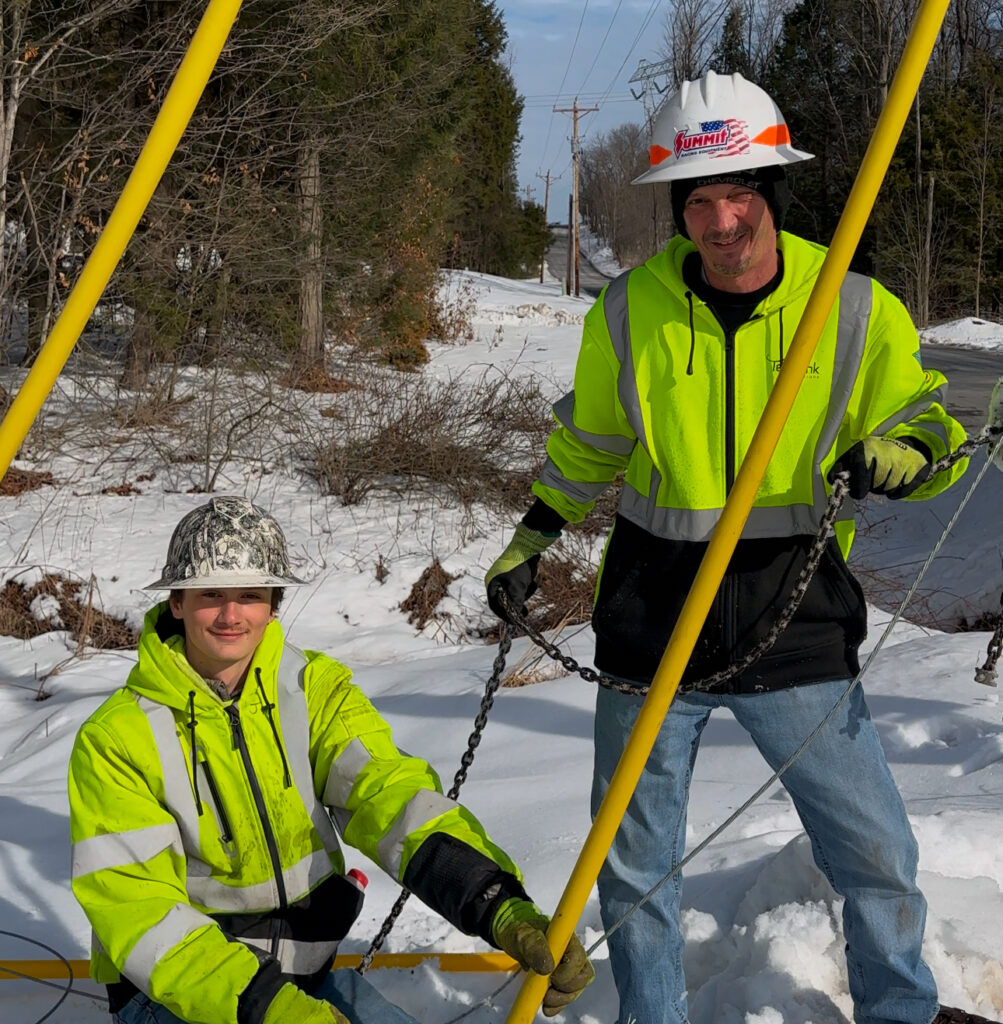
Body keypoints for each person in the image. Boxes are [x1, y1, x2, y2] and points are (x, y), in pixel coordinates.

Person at [485, 71, 991, 1024]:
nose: (721, 222)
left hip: (793, 609)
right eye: (701, 201)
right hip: (650, 609)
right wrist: (532, 536)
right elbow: (591, 442)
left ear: (772, 198)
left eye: (739, 197)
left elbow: (931, 419)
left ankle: (898, 1009)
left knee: (871, 846)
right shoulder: (630, 309)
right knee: (633, 859)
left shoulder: (847, 306)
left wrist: (901, 453)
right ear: (681, 210)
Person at [69, 496, 593, 1024]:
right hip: (182, 998)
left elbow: (391, 799)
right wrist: (272, 1010)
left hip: (306, 979)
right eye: (211, 595)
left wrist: (498, 904)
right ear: (177, 603)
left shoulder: (315, 690)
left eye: (249, 594)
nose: (231, 615)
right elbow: (137, 906)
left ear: (273, 603)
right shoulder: (117, 739)